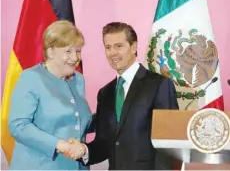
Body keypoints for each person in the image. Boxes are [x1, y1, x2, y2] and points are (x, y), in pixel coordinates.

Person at [65, 22, 179, 170]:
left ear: (134, 47)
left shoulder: (159, 85)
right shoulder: (105, 93)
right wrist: (84, 150)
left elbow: (169, 143)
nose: (113, 53)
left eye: (119, 46)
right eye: (108, 47)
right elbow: (104, 143)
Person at [8, 20, 92, 170]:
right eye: (68, 51)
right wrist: (60, 145)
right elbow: (18, 126)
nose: (75, 58)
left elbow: (78, 121)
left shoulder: (78, 80)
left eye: (78, 51)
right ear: (50, 51)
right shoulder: (30, 78)